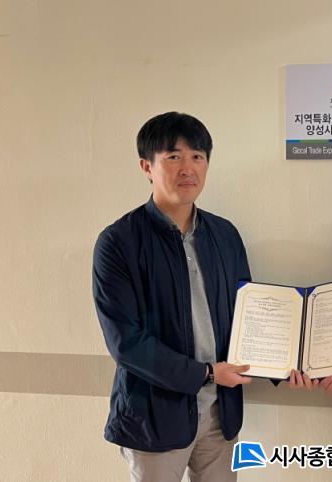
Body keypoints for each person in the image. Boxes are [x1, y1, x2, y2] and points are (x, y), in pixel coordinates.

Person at [93, 112, 252, 482]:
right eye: (174, 157)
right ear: (146, 166)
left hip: (220, 414)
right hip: (153, 417)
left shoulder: (225, 235)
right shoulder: (118, 242)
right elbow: (126, 342)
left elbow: (249, 312)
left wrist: (283, 362)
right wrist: (205, 373)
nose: (188, 168)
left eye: (197, 156)